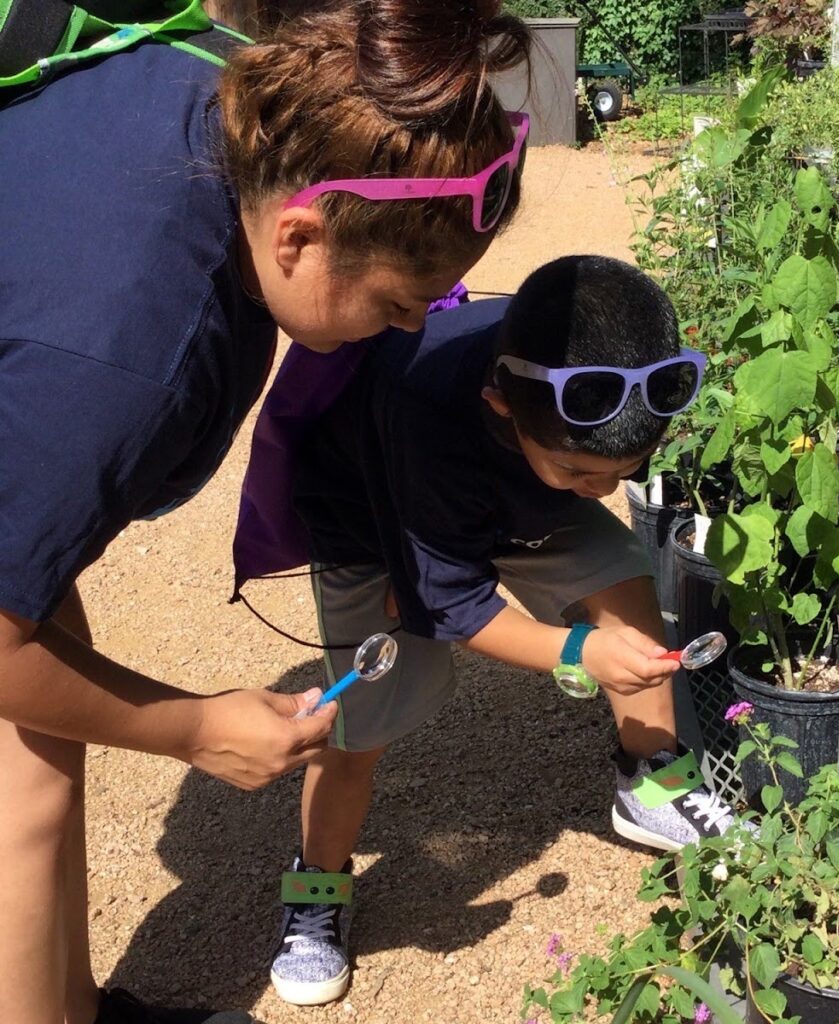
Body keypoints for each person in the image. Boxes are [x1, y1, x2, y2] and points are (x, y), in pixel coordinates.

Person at [0, 3, 531, 1023]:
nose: (414, 324)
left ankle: (72, 1003)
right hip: (62, 350)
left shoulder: (261, 100)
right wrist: (193, 727)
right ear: (300, 233)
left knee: (43, 710)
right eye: (394, 301)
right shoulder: (129, 355)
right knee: (20, 781)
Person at [266, 255, 739, 1006]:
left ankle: (653, 779)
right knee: (362, 719)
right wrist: (579, 650)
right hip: (368, 518)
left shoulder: (583, 371)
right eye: (584, 474)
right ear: (500, 406)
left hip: (510, 500)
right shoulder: (421, 396)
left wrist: (569, 487)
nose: (605, 490)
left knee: (620, 569)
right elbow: (456, 608)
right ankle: (316, 890)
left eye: (625, 471)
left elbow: (574, 477)